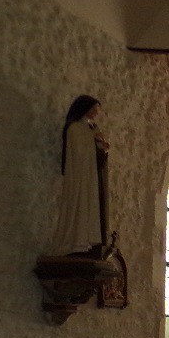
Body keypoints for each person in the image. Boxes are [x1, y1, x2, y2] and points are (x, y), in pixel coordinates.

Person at [51, 95, 111, 256]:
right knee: (80, 205)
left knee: (92, 206)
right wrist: (94, 142)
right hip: (80, 177)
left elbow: (96, 153)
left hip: (91, 177)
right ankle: (76, 242)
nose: (96, 113)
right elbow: (79, 152)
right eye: (93, 110)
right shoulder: (75, 129)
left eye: (97, 110)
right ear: (85, 109)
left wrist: (102, 147)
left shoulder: (92, 129)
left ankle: (88, 242)